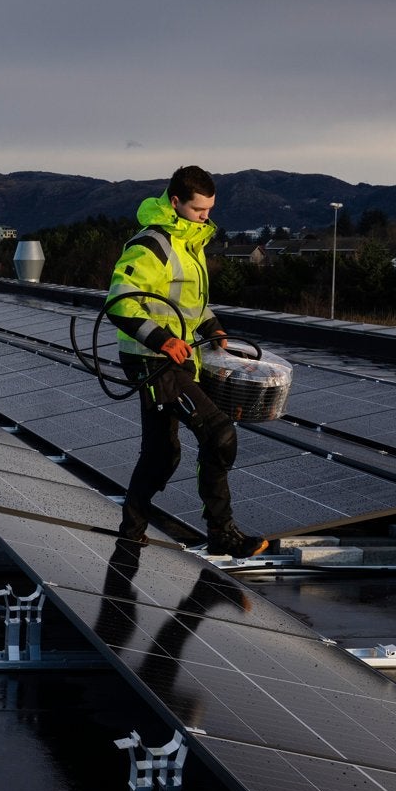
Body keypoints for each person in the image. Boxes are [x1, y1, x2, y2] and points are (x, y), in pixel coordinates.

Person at [106, 166, 271, 558]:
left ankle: (131, 531)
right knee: (218, 434)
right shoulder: (152, 244)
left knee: (163, 453)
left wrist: (212, 327)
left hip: (178, 358)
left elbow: (187, 304)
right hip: (152, 360)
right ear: (176, 202)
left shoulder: (188, 243)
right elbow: (119, 301)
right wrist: (162, 340)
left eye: (210, 209)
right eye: (199, 210)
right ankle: (222, 533)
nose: (206, 217)